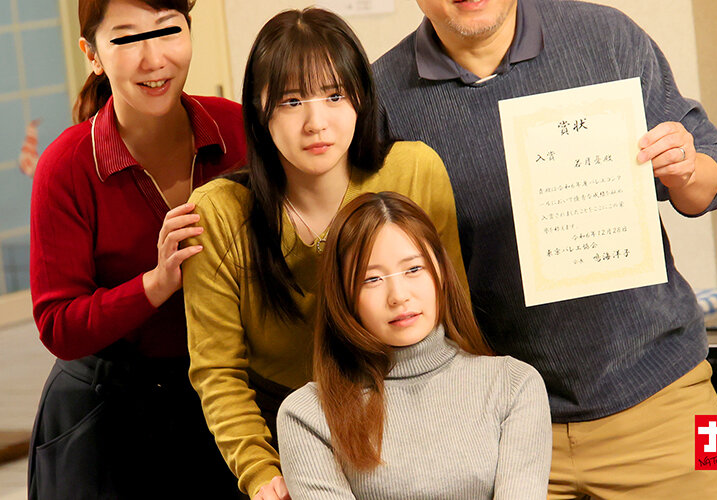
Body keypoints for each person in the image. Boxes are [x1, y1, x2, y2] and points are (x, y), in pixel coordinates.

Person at [372, 0, 717, 497]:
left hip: (672, 395)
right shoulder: (381, 95)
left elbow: (713, 176)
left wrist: (686, 169)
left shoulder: (607, 35)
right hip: (501, 430)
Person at [181, 9, 464, 500]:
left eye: (334, 96)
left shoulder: (414, 171)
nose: (316, 123)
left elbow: (452, 315)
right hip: (278, 423)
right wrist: (260, 471)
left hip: (408, 411)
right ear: (260, 111)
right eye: (292, 101)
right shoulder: (218, 213)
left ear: (361, 98)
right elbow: (217, 369)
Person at [27, 0, 246, 498]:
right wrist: (155, 283)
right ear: (93, 55)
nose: (154, 59)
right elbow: (58, 324)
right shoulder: (67, 165)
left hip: (225, 401)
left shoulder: (237, 131)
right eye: (126, 38)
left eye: (168, 30)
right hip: (105, 420)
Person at [276, 192, 551, 499]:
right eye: (372, 279)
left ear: (441, 272)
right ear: (343, 295)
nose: (398, 296)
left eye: (413, 269)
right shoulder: (307, 414)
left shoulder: (513, 385)